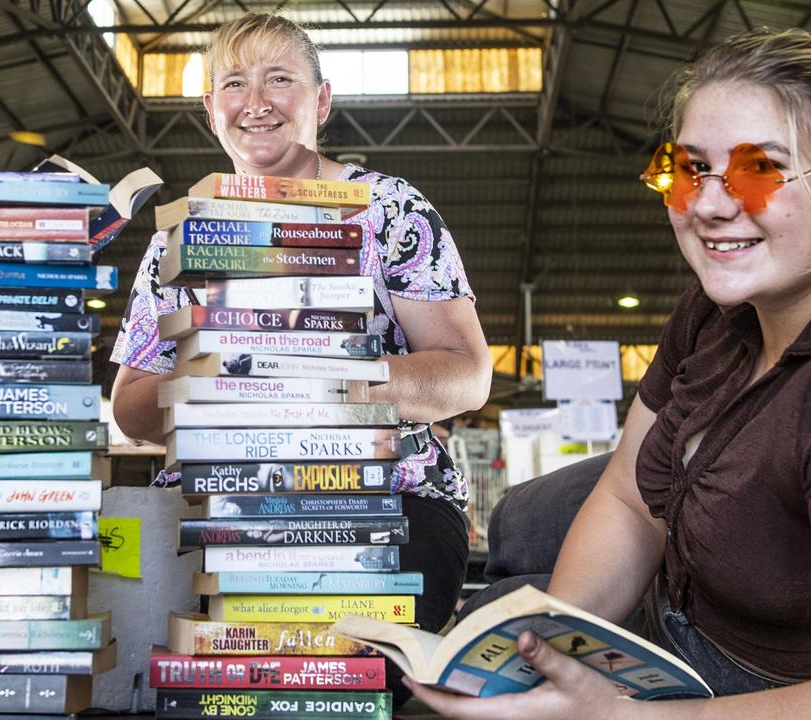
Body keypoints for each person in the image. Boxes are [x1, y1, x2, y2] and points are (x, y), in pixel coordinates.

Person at [410, 28, 811, 718]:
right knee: (519, 544)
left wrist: (621, 714)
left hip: (765, 686)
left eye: (761, 168)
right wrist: (541, 650)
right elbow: (626, 494)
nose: (708, 206)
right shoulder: (716, 311)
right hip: (689, 599)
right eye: (688, 169)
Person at [108, 12, 493, 698]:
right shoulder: (183, 235)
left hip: (387, 504)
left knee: (324, 688)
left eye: (279, 79)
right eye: (234, 83)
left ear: (321, 99)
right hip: (216, 510)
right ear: (209, 110)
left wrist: (311, 376)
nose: (255, 102)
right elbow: (134, 407)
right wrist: (220, 384)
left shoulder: (389, 211)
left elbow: (465, 374)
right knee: (178, 683)